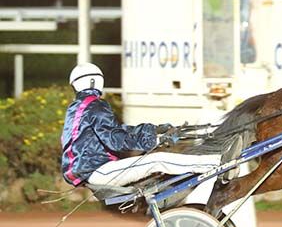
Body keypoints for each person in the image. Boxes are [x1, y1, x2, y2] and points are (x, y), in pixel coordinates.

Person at [60, 63, 238, 188]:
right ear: (96, 81)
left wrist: (154, 130)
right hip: (98, 171)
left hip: (93, 170)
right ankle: (218, 163)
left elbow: (119, 131)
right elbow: (115, 139)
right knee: (157, 160)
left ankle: (215, 163)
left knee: (156, 161)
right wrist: (153, 139)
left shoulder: (78, 107)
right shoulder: (95, 105)